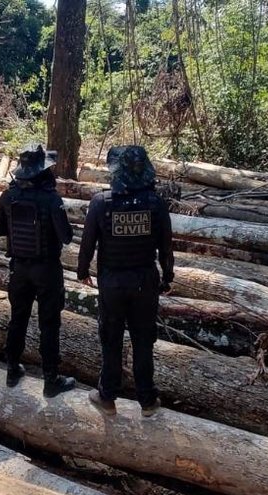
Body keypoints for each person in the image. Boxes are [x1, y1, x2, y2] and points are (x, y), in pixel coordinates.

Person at [77, 145, 173, 417]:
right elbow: (166, 246)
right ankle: (147, 401)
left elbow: (88, 245)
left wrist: (82, 271)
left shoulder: (101, 202)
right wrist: (167, 278)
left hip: (113, 283)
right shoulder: (155, 204)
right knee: (143, 340)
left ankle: (107, 396)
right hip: (145, 282)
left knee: (111, 339)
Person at [0, 143, 76, 397]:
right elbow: (66, 237)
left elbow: (0, 230)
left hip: (19, 269)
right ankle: (50, 379)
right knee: (49, 324)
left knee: (17, 318)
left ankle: (11, 369)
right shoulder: (51, 199)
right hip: (47, 270)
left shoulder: (8, 196)